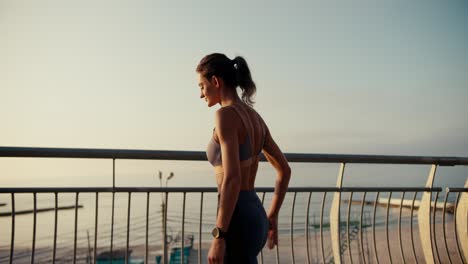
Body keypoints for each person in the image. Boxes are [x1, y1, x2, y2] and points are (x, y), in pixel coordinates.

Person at [196, 53, 291, 264]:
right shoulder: (256, 119)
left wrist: (219, 236)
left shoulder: (225, 116)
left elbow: (232, 178)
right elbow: (284, 170)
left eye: (202, 86)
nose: (201, 94)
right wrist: (272, 215)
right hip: (255, 213)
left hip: (236, 220)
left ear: (216, 81)